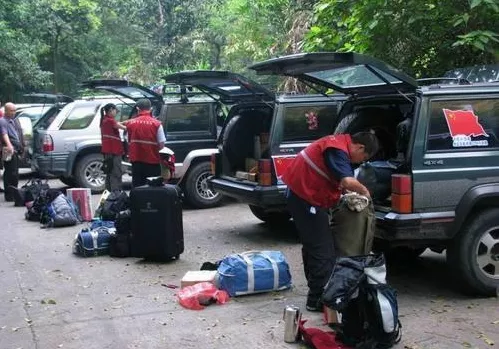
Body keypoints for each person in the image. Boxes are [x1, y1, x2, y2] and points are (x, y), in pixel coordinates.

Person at [282, 132, 379, 312]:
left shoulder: (336, 143)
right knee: (323, 250)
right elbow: (348, 181)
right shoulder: (337, 149)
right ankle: (317, 298)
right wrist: (365, 193)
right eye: (363, 158)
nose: (359, 162)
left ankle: (316, 289)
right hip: (305, 197)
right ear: (360, 147)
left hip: (302, 195)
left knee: (313, 246)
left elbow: (334, 178)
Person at [124, 99, 165, 187]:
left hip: (137, 164)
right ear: (151, 109)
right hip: (153, 163)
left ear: (138, 109)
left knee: (138, 189)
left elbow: (128, 141)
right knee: (153, 189)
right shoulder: (157, 124)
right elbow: (161, 144)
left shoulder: (130, 123)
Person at [0, 102, 24, 201]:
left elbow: (18, 134)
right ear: (5, 111)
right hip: (9, 150)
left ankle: (14, 193)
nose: (14, 112)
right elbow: (4, 134)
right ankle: (9, 195)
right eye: (11, 111)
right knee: (10, 172)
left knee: (15, 172)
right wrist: (9, 145)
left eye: (14, 110)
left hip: (16, 149)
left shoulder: (13, 120)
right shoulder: (3, 121)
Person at [100, 103, 126, 191]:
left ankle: (109, 194)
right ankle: (116, 194)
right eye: (116, 110)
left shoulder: (104, 119)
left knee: (109, 173)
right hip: (114, 151)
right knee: (116, 173)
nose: (116, 113)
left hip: (108, 151)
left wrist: (127, 121)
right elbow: (124, 128)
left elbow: (116, 124)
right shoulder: (110, 121)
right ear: (111, 110)